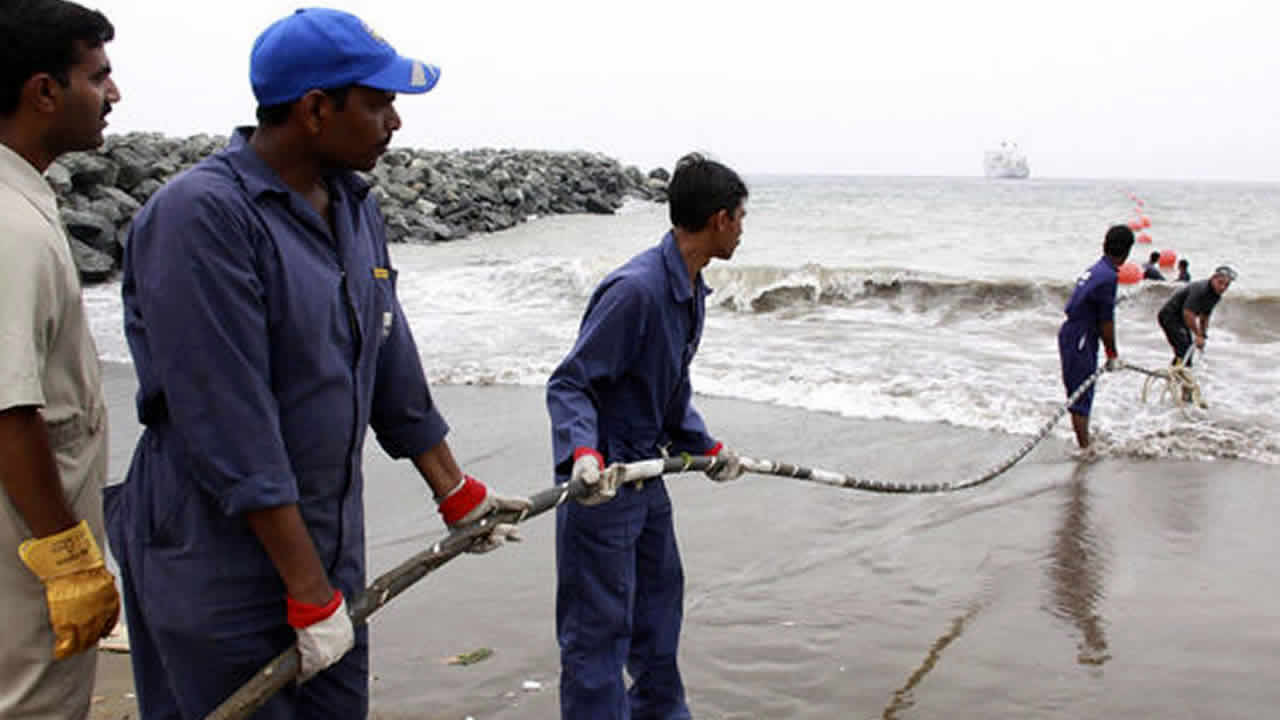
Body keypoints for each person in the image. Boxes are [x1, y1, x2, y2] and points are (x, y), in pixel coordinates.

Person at [105, 9, 529, 719]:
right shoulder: (201, 218)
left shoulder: (353, 204)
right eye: (378, 103)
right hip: (218, 559)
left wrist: (456, 492)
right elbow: (229, 420)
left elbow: (389, 358)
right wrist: (306, 591)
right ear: (313, 109)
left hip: (327, 543)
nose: (395, 123)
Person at [546, 153, 749, 720]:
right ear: (719, 220)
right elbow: (570, 385)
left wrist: (705, 448)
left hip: (647, 481)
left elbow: (666, 388)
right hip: (604, 485)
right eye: (740, 217)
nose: (742, 229)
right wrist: (582, 456)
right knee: (597, 639)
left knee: (658, 622)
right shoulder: (635, 291)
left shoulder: (690, 291)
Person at [0, 2, 123, 717]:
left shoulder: (29, 199)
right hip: (27, 554)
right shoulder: (12, 228)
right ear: (44, 91)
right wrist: (68, 560)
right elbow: (10, 408)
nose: (113, 96)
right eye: (98, 77)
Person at [1058, 225, 1135, 448]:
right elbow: (1106, 321)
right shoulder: (1108, 277)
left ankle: (1084, 440)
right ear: (1127, 251)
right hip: (1080, 337)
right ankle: (1085, 448)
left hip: (1073, 333)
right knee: (1081, 396)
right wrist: (1112, 354)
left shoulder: (1098, 268)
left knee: (1080, 392)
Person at [1157, 265, 1236, 368]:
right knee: (1183, 348)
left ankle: (1177, 373)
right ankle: (1177, 374)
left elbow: (1205, 315)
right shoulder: (1201, 289)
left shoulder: (1216, 295)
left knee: (1187, 349)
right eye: (1220, 283)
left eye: (1226, 285)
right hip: (1169, 316)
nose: (1222, 287)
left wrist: (1203, 334)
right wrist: (1198, 334)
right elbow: (1188, 313)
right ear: (1213, 278)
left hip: (1181, 320)